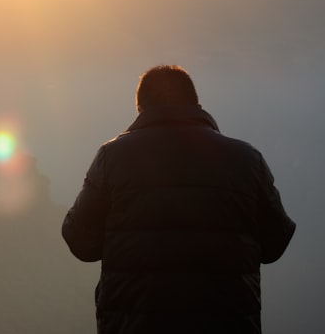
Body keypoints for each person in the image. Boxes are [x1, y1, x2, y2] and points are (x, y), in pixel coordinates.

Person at [62, 65, 295, 334]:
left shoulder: (112, 157)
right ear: (196, 104)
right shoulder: (246, 159)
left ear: (141, 108)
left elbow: (80, 242)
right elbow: (276, 243)